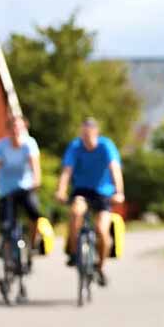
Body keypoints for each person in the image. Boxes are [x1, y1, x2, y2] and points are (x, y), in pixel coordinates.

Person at [55, 118, 124, 287]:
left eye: (89, 134)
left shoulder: (106, 146)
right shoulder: (75, 147)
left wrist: (119, 192)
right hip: (82, 190)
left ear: (96, 133)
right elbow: (67, 171)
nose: (86, 138)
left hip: (103, 192)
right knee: (76, 212)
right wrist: (61, 190)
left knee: (102, 230)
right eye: (83, 135)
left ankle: (100, 267)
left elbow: (115, 169)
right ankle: (73, 251)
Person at [0, 116, 43, 250]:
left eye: (20, 127)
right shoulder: (1, 146)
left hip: (26, 188)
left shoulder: (29, 144)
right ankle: (8, 253)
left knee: (34, 212)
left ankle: (33, 241)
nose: (16, 130)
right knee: (6, 224)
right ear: (8, 130)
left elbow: (35, 167)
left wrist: (36, 182)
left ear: (25, 129)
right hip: (5, 190)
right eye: (13, 127)